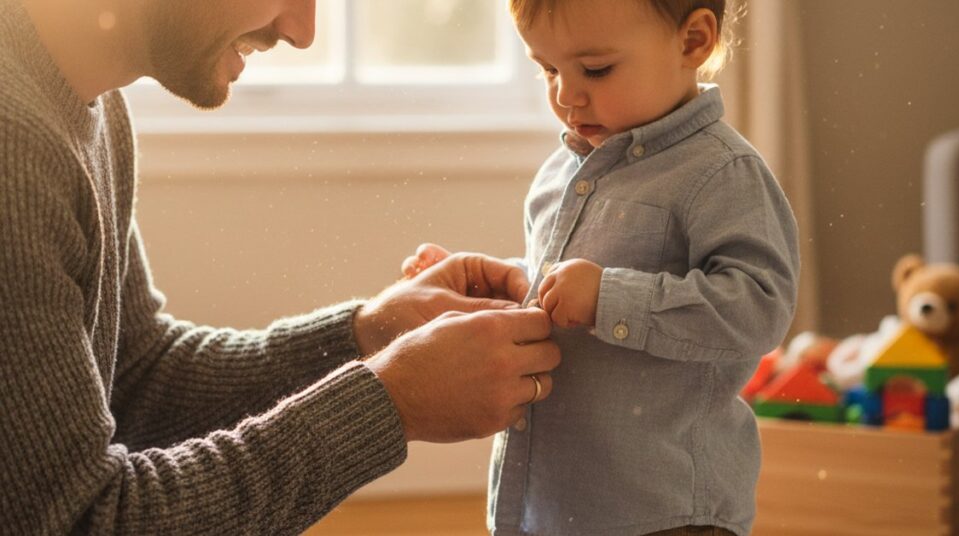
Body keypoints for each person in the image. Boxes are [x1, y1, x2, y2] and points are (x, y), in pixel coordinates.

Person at [0, 0, 561, 534]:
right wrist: (393, 400)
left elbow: (137, 377)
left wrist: (369, 333)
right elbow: (82, 521)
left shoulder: (88, 101)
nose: (301, 30)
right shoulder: (15, 147)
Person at [402, 1, 799, 535]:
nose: (566, 95)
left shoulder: (722, 174)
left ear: (693, 42)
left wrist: (610, 298)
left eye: (595, 70)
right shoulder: (560, 171)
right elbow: (562, 284)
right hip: (555, 502)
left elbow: (760, 308)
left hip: (662, 510)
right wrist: (492, 285)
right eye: (547, 69)